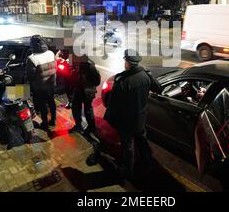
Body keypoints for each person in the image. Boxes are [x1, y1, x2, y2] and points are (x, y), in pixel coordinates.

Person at [104, 49, 162, 180]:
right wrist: (150, 75)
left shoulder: (123, 81)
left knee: (128, 146)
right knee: (142, 140)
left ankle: (127, 170)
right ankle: (148, 163)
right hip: (141, 117)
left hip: (127, 121)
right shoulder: (146, 75)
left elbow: (113, 104)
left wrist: (110, 118)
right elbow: (159, 88)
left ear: (128, 63)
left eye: (125, 61)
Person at [25, 35, 56, 132]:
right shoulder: (51, 53)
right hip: (51, 84)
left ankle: (45, 124)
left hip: (40, 87)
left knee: (43, 106)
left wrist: (28, 83)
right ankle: (53, 120)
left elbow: (30, 75)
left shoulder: (32, 58)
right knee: (51, 102)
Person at [69, 55, 101, 134]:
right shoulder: (73, 61)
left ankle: (91, 127)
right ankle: (78, 126)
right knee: (76, 107)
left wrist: (88, 85)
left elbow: (97, 81)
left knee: (88, 109)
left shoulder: (89, 66)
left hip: (87, 92)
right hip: (78, 90)